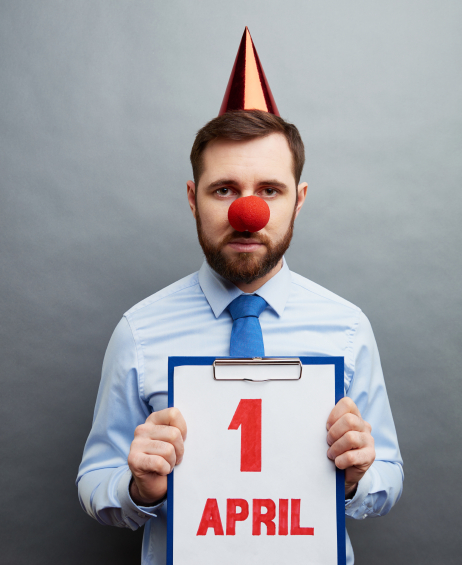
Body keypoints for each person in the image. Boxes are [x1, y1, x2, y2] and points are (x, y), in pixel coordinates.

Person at [77, 28, 403, 565]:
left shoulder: (346, 327)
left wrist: (359, 475)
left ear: (298, 200)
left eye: (268, 191)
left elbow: (388, 476)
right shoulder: (140, 331)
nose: (244, 212)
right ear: (192, 198)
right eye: (224, 189)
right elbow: (95, 480)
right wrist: (137, 487)